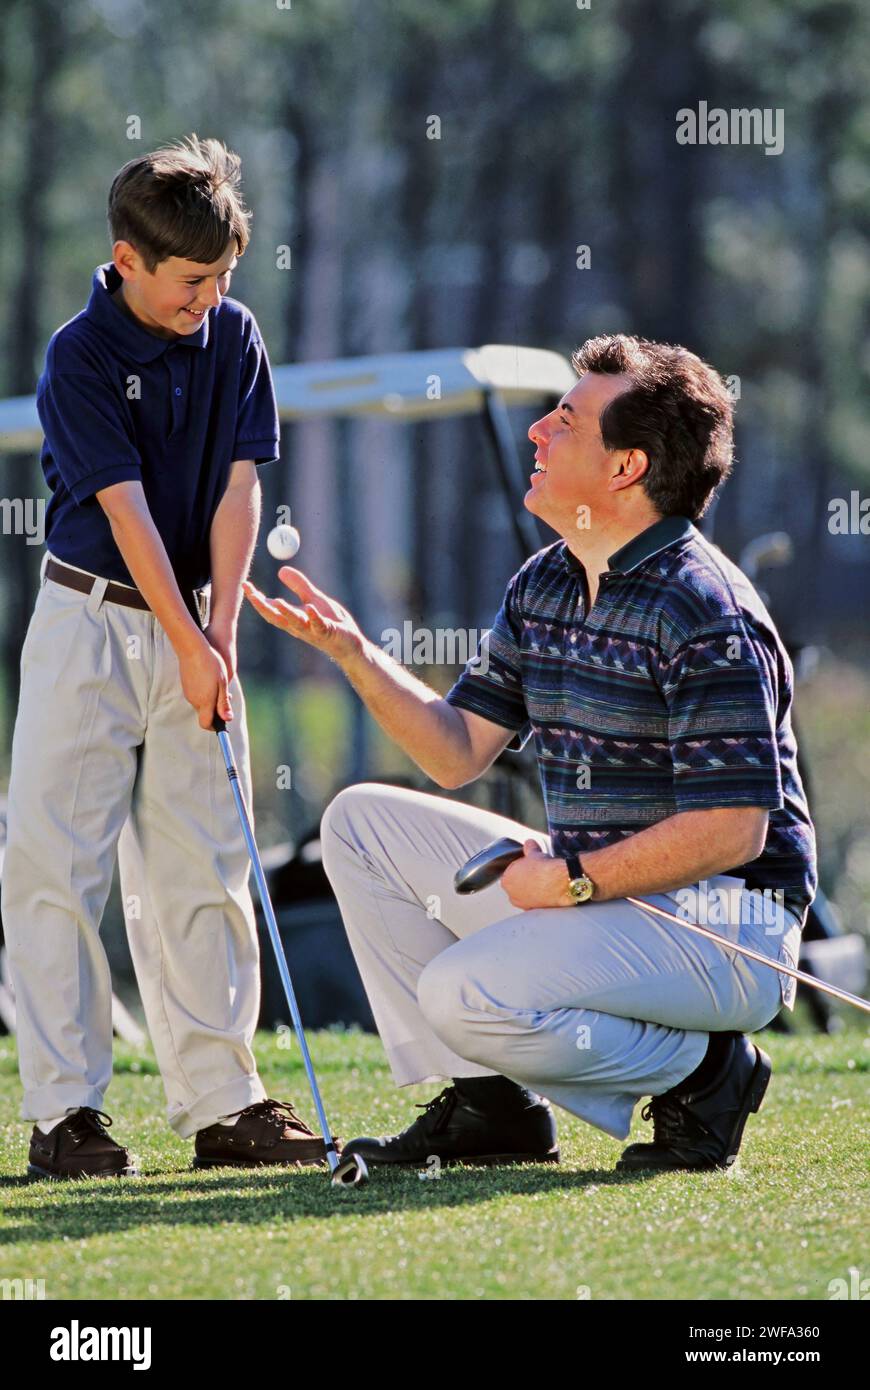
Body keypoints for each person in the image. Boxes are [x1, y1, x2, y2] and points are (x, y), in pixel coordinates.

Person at [243, 333, 818, 1173]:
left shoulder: (706, 607)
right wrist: (356, 656)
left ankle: (707, 1073)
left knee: (460, 990)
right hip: (604, 897)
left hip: (732, 925)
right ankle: (493, 1107)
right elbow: (455, 752)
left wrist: (577, 878)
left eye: (567, 420)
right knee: (359, 824)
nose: (537, 433)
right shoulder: (543, 582)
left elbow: (734, 832)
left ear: (627, 468)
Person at [3, 134, 330, 1180]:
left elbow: (241, 486)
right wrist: (188, 640)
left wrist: (219, 631)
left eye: (225, 277)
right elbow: (125, 509)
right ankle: (66, 1117)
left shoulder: (232, 334)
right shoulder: (78, 355)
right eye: (193, 281)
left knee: (205, 862)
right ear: (127, 257)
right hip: (88, 622)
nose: (210, 299)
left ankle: (224, 1104)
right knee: (59, 866)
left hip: (195, 618)